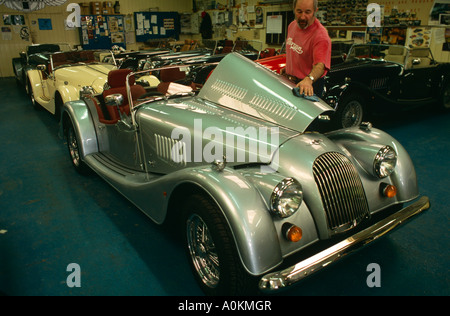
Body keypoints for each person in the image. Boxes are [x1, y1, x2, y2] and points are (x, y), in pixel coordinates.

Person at [283, 0, 331, 97]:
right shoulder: (292, 26)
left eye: (307, 12)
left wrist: (309, 79)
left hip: (310, 85)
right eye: (299, 11)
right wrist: (288, 70)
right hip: (290, 82)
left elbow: (320, 66)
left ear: (315, 11)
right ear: (294, 10)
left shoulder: (320, 35)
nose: (302, 17)